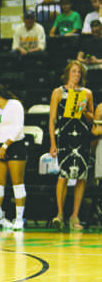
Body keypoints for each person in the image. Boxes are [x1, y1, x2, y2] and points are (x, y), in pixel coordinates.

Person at [49, 60, 94, 231]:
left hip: (82, 137)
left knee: (81, 176)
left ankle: (75, 215)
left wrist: (85, 111)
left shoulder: (87, 93)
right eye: (74, 71)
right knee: (63, 175)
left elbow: (92, 118)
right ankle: (60, 213)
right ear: (68, 72)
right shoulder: (58, 92)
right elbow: (52, 120)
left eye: (79, 72)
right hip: (64, 137)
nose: (77, 75)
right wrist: (53, 143)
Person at [0, 84, 27, 231]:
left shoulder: (15, 105)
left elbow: (18, 127)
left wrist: (5, 146)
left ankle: (19, 218)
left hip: (15, 145)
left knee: (17, 183)